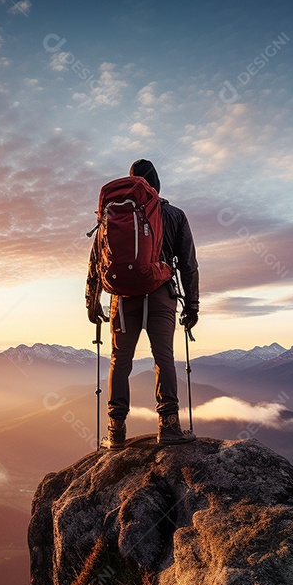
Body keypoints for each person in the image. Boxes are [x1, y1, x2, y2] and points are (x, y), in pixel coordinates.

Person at [85, 158, 200, 447]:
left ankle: (116, 431)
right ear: (157, 185)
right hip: (161, 294)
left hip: (122, 300)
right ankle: (169, 426)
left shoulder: (113, 214)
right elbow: (187, 264)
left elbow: (96, 259)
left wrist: (92, 301)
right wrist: (192, 305)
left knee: (120, 360)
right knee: (163, 358)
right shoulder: (173, 214)